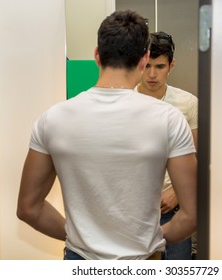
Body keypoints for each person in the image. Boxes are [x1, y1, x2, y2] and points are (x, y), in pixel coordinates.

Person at [17, 10, 197, 260]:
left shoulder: (52, 119)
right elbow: (193, 214)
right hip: (143, 259)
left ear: (97, 55)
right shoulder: (170, 120)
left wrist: (79, 238)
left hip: (81, 259)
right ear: (144, 59)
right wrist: (150, 239)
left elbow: (29, 208)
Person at [135, 31, 198, 260]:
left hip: (173, 207)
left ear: (171, 65)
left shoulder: (188, 103)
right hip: (134, 208)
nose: (152, 74)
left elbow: (196, 156)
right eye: (147, 66)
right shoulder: (125, 100)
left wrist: (177, 194)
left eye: (160, 67)